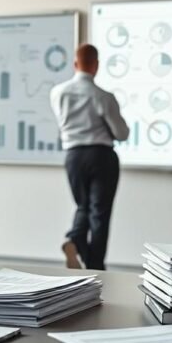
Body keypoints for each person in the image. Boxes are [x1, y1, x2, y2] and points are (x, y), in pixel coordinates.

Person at [49, 44, 130, 270]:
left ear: (75, 65)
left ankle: (74, 241)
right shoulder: (103, 96)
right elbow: (121, 133)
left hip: (73, 156)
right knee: (100, 213)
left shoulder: (57, 93)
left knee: (83, 206)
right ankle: (96, 266)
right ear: (96, 66)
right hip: (101, 156)